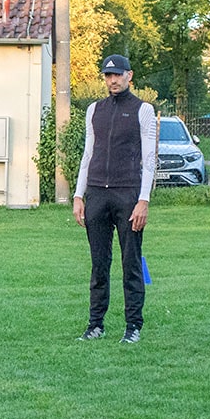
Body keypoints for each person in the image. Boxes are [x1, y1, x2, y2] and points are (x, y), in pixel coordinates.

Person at [73, 54, 158, 344]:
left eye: (118, 75)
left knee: (130, 263)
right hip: (96, 193)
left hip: (128, 194)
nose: (113, 80)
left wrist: (143, 199)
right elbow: (88, 154)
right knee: (99, 264)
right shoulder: (94, 109)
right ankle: (95, 324)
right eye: (108, 76)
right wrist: (78, 195)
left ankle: (133, 325)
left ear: (129, 76)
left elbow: (150, 158)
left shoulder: (142, 110)